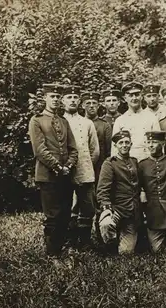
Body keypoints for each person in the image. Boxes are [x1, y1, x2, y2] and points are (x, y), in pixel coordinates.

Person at [28, 83, 78, 257]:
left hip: (65, 174)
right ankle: (52, 254)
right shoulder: (37, 120)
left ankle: (62, 248)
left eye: (58, 97)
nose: (56, 99)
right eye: (52, 96)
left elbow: (73, 148)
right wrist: (57, 166)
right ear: (45, 98)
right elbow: (39, 150)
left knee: (65, 213)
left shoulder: (63, 121)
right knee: (53, 216)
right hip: (48, 175)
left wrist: (69, 166)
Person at [62, 85, 100, 247]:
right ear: (63, 101)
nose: (72, 100)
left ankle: (85, 240)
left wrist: (86, 165)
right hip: (64, 171)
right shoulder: (59, 122)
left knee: (87, 206)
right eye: (68, 98)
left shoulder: (87, 123)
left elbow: (95, 149)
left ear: (79, 101)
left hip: (85, 170)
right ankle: (70, 240)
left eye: (75, 98)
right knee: (68, 206)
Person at [96, 130, 142, 255]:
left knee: (126, 252)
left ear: (131, 144)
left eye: (127, 142)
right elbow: (102, 190)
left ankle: (123, 240)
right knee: (106, 224)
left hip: (132, 212)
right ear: (115, 146)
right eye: (120, 143)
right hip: (116, 209)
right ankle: (110, 244)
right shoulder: (110, 163)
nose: (124, 145)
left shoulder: (135, 162)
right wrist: (106, 209)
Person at [111, 81, 161, 161]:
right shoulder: (120, 121)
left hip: (148, 161)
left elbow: (158, 144)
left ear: (141, 96)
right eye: (130, 95)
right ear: (125, 98)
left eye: (137, 95)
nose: (134, 98)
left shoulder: (151, 117)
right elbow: (115, 148)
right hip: (127, 163)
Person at [82, 91, 112, 183]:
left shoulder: (104, 125)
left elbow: (108, 150)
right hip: (82, 167)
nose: (91, 106)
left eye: (94, 103)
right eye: (88, 103)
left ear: (98, 106)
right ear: (83, 105)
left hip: (100, 168)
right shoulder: (79, 123)